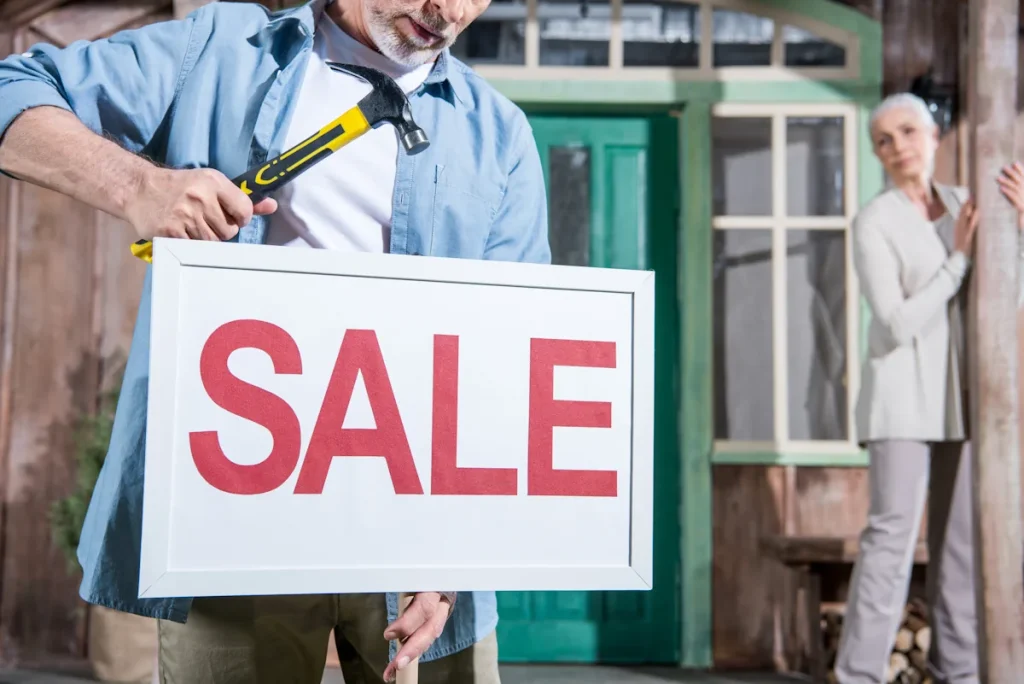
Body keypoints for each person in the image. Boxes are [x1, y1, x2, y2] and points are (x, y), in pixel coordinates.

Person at [0, 0, 549, 681]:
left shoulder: (500, 135)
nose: (449, 10)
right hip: (237, 508)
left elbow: (509, 357)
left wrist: (454, 560)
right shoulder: (219, 50)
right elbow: (9, 92)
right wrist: (136, 184)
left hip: (420, 530)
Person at [835, 92, 1024, 684]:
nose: (897, 147)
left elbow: (1006, 297)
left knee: (961, 550)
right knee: (889, 549)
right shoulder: (874, 221)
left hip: (961, 403)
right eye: (884, 140)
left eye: (908, 132)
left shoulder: (971, 205)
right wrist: (958, 261)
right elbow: (894, 323)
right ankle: (859, 675)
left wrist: (1019, 226)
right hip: (899, 403)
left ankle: (958, 674)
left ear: (934, 137)